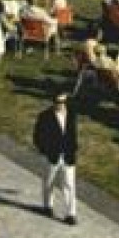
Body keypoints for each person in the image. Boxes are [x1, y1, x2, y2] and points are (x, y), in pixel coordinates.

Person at [32, 91, 79, 224]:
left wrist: (73, 148)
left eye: (64, 102)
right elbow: (37, 136)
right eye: (59, 102)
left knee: (69, 184)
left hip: (68, 155)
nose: (62, 105)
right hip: (52, 155)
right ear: (54, 102)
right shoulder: (45, 116)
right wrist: (45, 150)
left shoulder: (71, 114)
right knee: (49, 182)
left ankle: (71, 214)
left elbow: (72, 133)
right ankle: (47, 206)